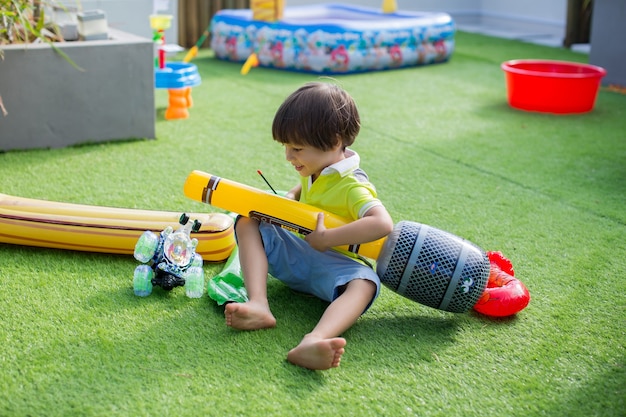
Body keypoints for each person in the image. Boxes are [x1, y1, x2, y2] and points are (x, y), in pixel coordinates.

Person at [225, 82, 394, 370]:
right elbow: (304, 188)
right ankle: (258, 305)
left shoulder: (353, 185)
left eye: (297, 148)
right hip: (298, 254)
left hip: (336, 269)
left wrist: (329, 238)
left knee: (365, 284)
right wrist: (290, 198)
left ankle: (314, 340)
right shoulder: (315, 168)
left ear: (333, 140)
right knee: (247, 219)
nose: (289, 157)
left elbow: (382, 223)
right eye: (286, 147)